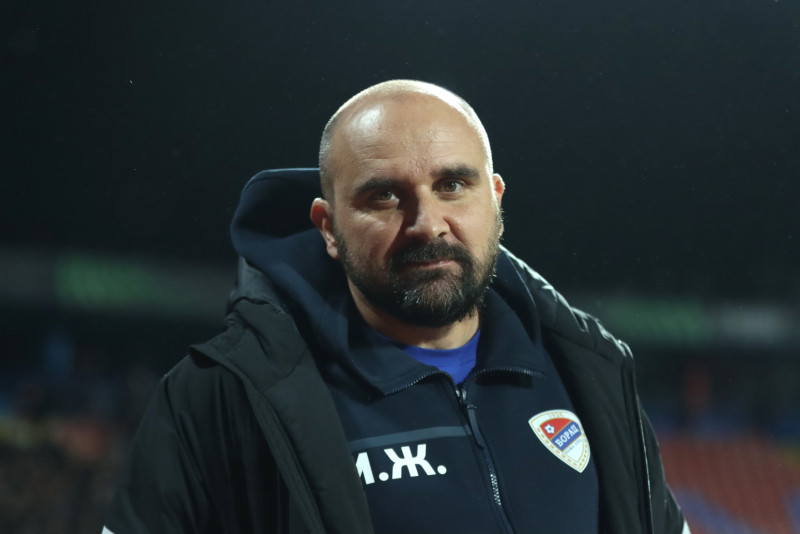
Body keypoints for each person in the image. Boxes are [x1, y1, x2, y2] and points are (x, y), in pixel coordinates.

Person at [103, 80, 689, 534]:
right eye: (385, 196)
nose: (427, 223)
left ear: (495, 199)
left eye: (453, 185)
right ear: (328, 227)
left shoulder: (590, 372)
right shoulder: (223, 396)